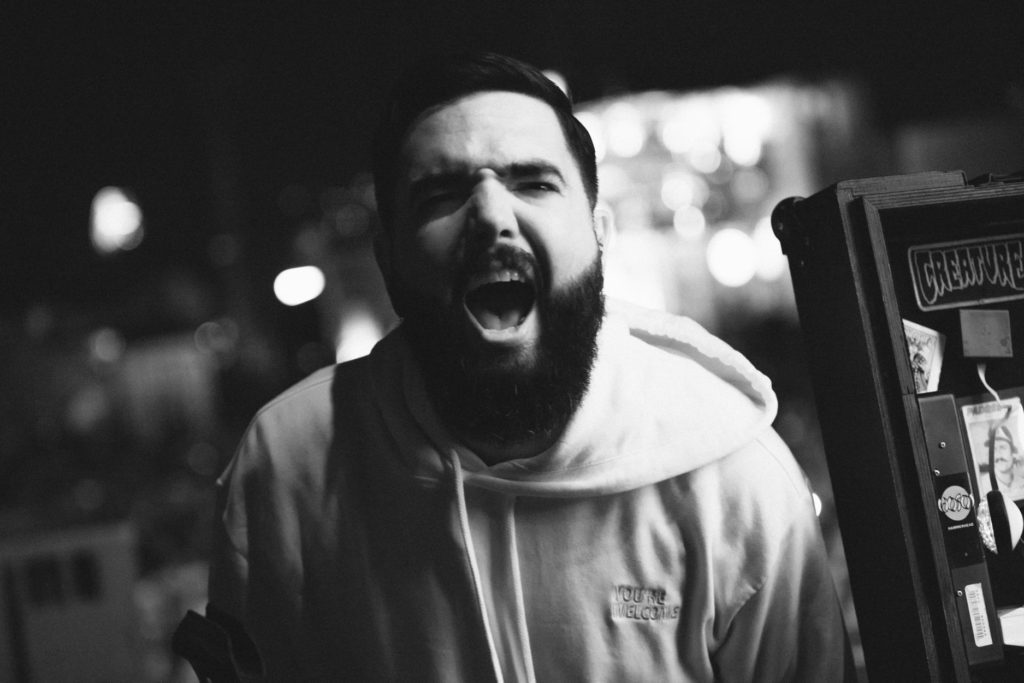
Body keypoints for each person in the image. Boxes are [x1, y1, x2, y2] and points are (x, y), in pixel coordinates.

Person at [205, 52, 851, 681]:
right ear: (388, 259)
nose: (491, 217)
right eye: (442, 194)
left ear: (600, 234)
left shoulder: (733, 480)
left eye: (534, 183)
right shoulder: (286, 466)